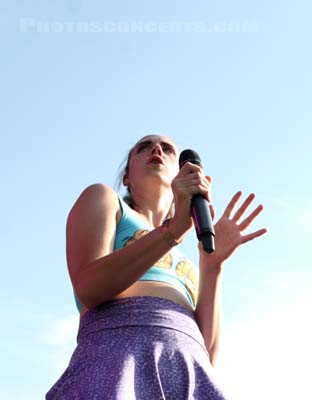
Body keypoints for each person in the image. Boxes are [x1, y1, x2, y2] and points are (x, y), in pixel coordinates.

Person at [46, 134, 267, 399]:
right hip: (117, 364)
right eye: (144, 147)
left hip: (185, 378)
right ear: (127, 176)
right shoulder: (107, 200)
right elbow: (89, 287)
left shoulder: (185, 261)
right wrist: (172, 231)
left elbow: (206, 353)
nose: (157, 150)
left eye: (168, 149)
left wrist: (212, 264)